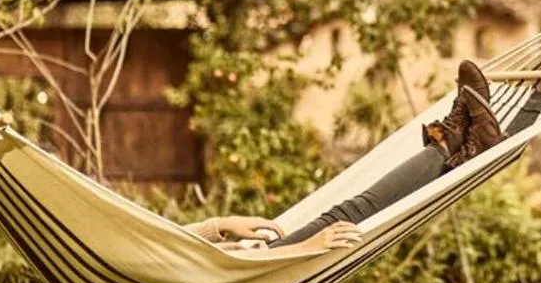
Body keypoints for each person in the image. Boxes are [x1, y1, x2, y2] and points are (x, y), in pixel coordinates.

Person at [187, 60, 519, 255]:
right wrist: (303, 249)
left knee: (346, 211)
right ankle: (454, 146)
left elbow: (157, 252)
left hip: (234, 265)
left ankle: (459, 146)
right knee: (348, 215)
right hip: (240, 274)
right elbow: (158, 261)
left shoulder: (134, 250)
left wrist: (217, 226)